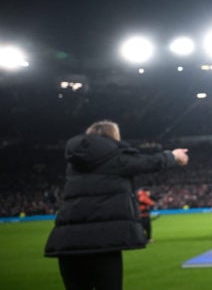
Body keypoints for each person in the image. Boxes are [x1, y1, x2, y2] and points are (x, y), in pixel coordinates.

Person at [44, 120, 188, 290]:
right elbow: (149, 162)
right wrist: (174, 155)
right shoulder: (114, 158)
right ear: (113, 137)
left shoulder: (75, 163)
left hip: (67, 242)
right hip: (102, 241)